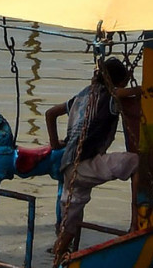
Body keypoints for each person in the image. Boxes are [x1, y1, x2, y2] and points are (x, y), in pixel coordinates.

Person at [45, 56, 139, 256]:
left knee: (67, 231)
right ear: (118, 81)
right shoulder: (111, 97)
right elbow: (121, 92)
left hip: (68, 169)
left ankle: (55, 261)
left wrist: (55, 144)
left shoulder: (82, 95)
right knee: (134, 162)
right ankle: (136, 221)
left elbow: (50, 113)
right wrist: (142, 91)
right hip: (87, 165)